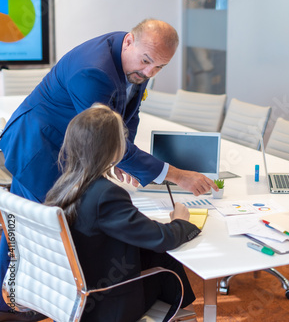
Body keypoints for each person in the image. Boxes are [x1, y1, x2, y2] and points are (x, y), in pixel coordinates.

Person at [0, 19, 218, 319]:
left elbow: (128, 117)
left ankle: (45, 294)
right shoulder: (93, 70)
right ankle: (14, 300)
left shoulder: (137, 59)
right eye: (146, 62)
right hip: (38, 144)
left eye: (159, 67)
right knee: (29, 227)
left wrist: (118, 158)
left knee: (46, 224)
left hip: (72, 148)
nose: (149, 73)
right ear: (129, 42)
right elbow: (103, 129)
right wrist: (177, 174)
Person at [43, 104, 200, 321]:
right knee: (165, 257)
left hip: (76, 293)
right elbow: (162, 239)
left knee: (154, 251)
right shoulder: (106, 194)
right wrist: (181, 222)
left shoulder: (65, 183)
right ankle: (182, 313)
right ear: (115, 147)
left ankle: (181, 313)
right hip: (107, 303)